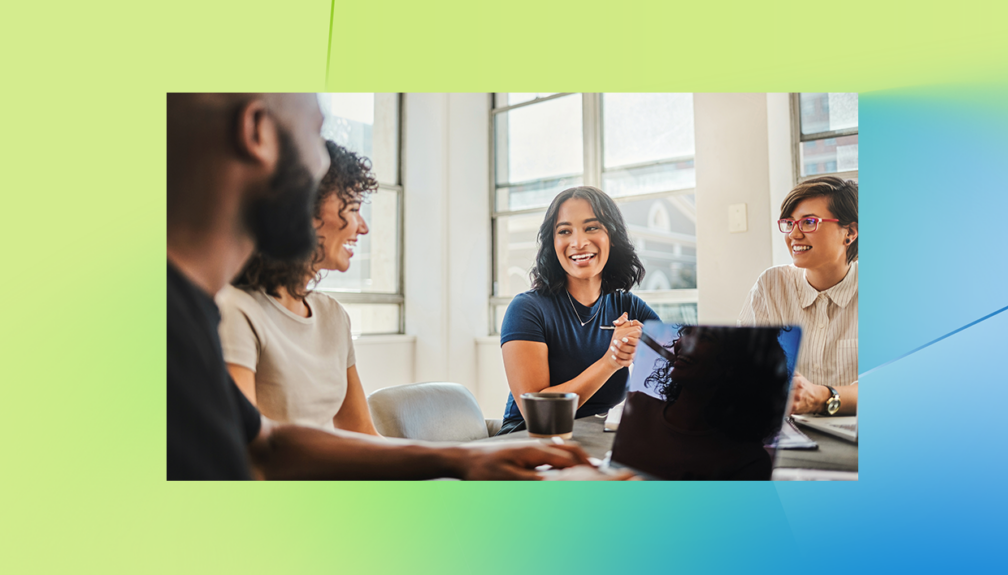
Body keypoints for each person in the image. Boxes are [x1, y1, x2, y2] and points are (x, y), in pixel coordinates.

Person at [167, 93, 593, 480]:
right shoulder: (200, 316)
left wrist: (462, 459)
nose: (322, 167)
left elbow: (267, 442)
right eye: (316, 136)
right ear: (258, 130)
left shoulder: (191, 310)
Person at [216, 141, 379, 435]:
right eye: (353, 207)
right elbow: (251, 450)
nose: (363, 227)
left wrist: (444, 465)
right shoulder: (235, 310)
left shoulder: (333, 315)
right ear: (307, 209)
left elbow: (362, 431)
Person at [498, 186, 659, 435]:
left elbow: (680, 369)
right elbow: (537, 412)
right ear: (553, 243)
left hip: (599, 436)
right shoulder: (527, 309)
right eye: (564, 231)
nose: (579, 242)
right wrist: (611, 361)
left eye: (592, 227)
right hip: (531, 439)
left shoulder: (629, 307)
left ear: (612, 236)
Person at [738, 176, 859, 415]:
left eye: (809, 222)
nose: (794, 235)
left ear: (850, 232)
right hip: (784, 435)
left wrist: (823, 397)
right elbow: (744, 366)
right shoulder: (771, 286)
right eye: (789, 223)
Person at [613, 326, 790, 480]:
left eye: (705, 337)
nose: (682, 343)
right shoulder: (636, 407)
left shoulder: (748, 462)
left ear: (735, 364)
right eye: (687, 332)